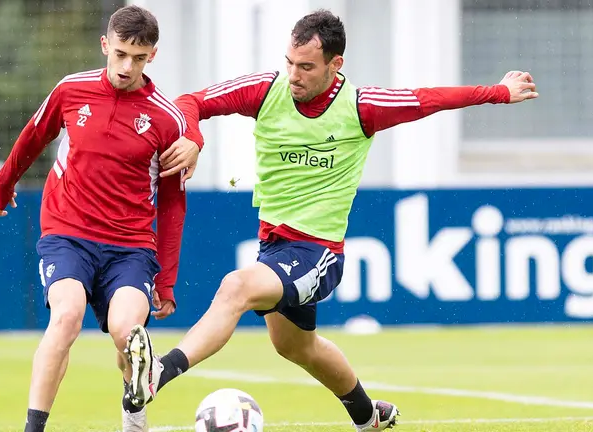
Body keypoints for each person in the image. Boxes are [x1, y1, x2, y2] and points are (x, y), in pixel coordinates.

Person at [125, 9, 539, 432]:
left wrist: (499, 92)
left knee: (236, 286)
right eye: (289, 62)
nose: (294, 75)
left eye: (306, 67)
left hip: (318, 252)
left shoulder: (361, 106)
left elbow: (425, 99)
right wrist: (192, 137)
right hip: (273, 246)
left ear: (334, 64)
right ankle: (368, 416)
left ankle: (157, 373)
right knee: (297, 347)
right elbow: (190, 102)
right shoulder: (267, 90)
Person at [0, 5, 191, 432]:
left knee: (127, 332)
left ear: (152, 55)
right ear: (105, 44)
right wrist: (5, 182)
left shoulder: (166, 119)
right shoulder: (71, 90)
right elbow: (33, 135)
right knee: (66, 316)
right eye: (120, 53)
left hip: (131, 247)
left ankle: (134, 413)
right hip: (68, 232)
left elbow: (172, 204)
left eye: (138, 58)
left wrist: (167, 279)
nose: (126, 66)